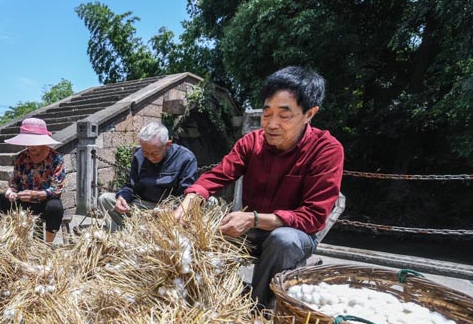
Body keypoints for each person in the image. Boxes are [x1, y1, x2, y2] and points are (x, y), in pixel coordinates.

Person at [173, 66, 344, 308]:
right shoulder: (251, 143)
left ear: (309, 114)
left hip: (295, 233)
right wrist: (187, 204)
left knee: (282, 241)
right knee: (202, 233)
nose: (272, 124)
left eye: (284, 116)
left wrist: (253, 219)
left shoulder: (326, 149)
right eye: (267, 114)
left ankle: (259, 312)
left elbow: (313, 217)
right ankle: (207, 303)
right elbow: (217, 175)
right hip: (251, 228)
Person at [98, 122, 197, 231]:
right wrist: (122, 197)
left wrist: (170, 210)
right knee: (105, 199)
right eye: (145, 152)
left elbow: (187, 194)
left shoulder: (185, 158)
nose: (150, 157)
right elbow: (131, 185)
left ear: (167, 145)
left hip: (172, 210)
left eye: (154, 153)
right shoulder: (139, 156)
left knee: (209, 202)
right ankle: (120, 236)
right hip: (144, 207)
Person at [0, 118, 66, 243]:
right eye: (28, 142)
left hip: (44, 203)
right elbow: (15, 183)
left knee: (55, 207)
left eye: (34, 142)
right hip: (23, 203)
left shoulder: (56, 159)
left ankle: (47, 246)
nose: (30, 146)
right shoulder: (21, 158)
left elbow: (57, 189)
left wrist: (36, 194)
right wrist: (11, 191)